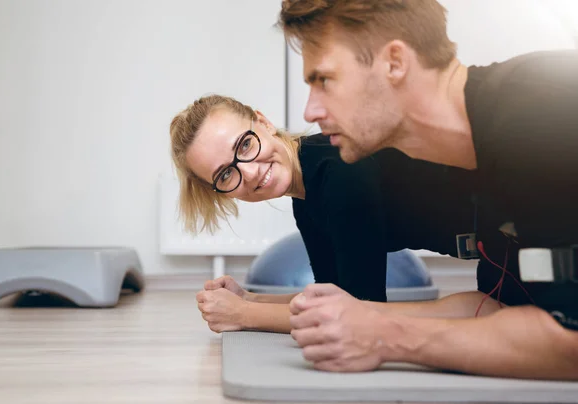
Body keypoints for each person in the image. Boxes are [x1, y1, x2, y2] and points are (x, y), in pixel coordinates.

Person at [277, 0, 578, 380]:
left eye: (324, 81)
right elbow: (500, 309)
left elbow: (570, 340)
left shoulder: (539, 111)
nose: (310, 112)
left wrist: (386, 336)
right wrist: (363, 316)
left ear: (394, 63)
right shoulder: (482, 162)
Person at [169, 94, 480, 335]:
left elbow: (357, 313)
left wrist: (242, 315)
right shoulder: (306, 200)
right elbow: (334, 297)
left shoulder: (338, 168)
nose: (248, 173)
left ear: (262, 122)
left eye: (246, 144)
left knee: (485, 311)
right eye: (225, 175)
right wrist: (250, 299)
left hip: (513, 229)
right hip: (493, 250)